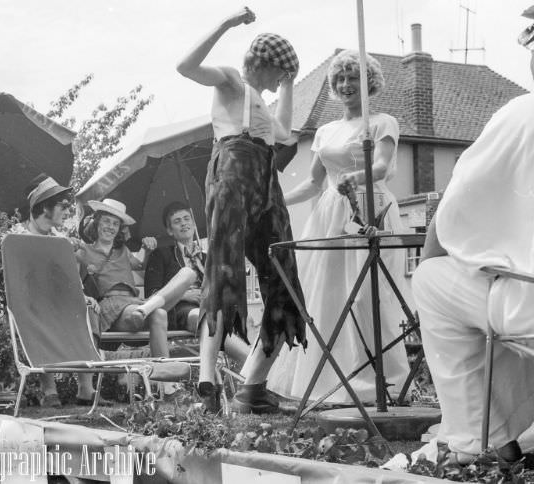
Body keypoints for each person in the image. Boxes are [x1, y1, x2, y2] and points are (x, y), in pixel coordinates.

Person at [411, 7, 534, 462]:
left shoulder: (523, 112)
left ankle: (481, 440)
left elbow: (454, 208)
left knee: (433, 282)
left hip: (529, 305)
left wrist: (431, 261)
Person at [176, 7, 306, 413]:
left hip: (265, 178)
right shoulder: (232, 80)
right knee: (224, 270)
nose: (273, 85)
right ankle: (207, 381)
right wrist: (226, 24)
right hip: (233, 169)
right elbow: (186, 66)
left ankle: (252, 386)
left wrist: (288, 86)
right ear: (261, 65)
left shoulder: (264, 102)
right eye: (275, 76)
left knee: (285, 279)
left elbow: (283, 133)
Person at [264, 50, 409, 404]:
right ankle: (332, 383)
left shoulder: (383, 122)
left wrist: (352, 179)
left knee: (366, 296)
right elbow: (314, 183)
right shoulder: (326, 130)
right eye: (340, 79)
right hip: (330, 214)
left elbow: (382, 167)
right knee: (327, 297)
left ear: (368, 83)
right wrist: (274, 200)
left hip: (369, 209)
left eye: (353, 78)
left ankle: (381, 382)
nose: (346, 85)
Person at [78, 198, 198, 399]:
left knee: (163, 307)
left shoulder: (123, 251)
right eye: (106, 221)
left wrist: (148, 246)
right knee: (154, 311)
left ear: (120, 229)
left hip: (136, 305)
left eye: (115, 224)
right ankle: (146, 311)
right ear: (96, 223)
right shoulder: (83, 251)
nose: (110, 227)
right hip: (112, 307)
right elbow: (72, 278)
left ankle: (167, 387)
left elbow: (142, 264)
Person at [10, 174, 109, 407]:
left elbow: (69, 280)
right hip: (30, 305)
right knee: (43, 312)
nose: (67, 212)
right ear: (45, 208)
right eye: (63, 206)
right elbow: (18, 281)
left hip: (60, 304)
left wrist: (82, 295)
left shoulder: (60, 239)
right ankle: (49, 390)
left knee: (88, 310)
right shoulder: (18, 236)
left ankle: (86, 388)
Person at [143, 201, 250, 403]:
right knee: (204, 317)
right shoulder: (162, 255)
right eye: (177, 221)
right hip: (177, 310)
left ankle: (245, 368)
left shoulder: (207, 257)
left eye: (186, 219)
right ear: (170, 230)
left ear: (193, 223)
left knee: (220, 316)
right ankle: (251, 366)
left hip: (209, 311)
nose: (184, 224)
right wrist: (185, 295)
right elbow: (153, 293)